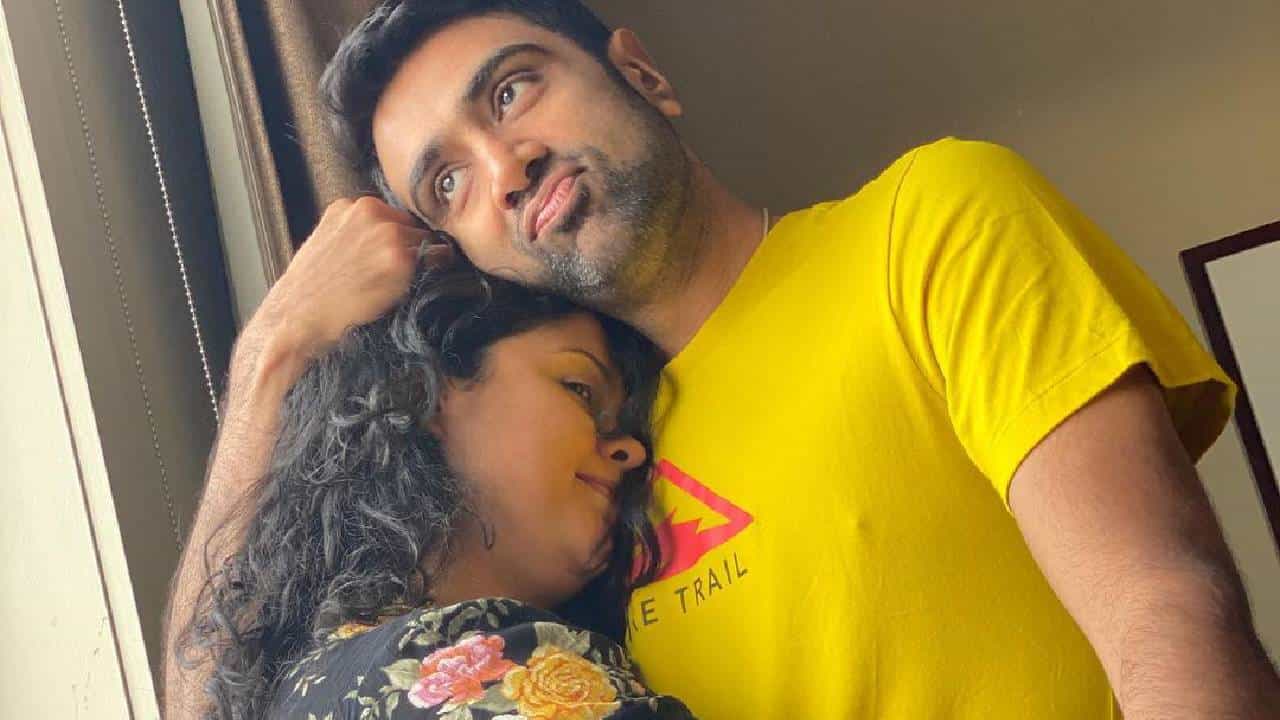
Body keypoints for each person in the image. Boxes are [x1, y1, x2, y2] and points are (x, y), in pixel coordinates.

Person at [164, 1, 1280, 718]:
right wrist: (273, 351)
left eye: (510, 91)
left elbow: (1160, 603)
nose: (504, 166)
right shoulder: (579, 477)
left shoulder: (928, 221)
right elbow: (212, 699)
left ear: (641, 75)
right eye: (445, 182)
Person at [176, 256, 696, 719]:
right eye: (580, 389)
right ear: (424, 393)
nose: (630, 451)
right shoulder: (461, 667)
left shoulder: (305, 686)